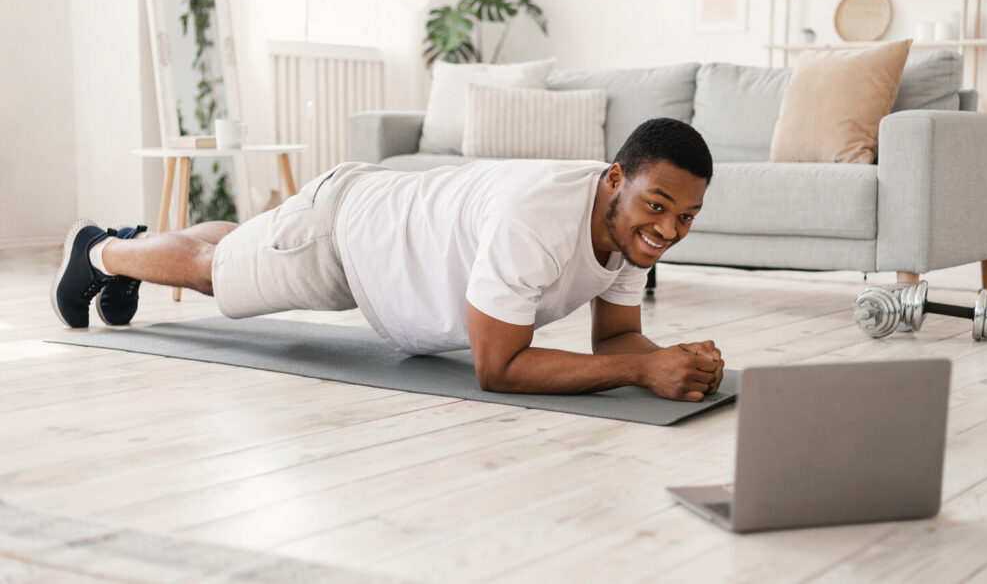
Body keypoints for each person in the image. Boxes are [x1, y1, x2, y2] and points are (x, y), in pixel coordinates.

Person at [52, 117, 723, 401]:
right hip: (346, 236)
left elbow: (617, 336)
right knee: (214, 273)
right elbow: (498, 366)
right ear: (614, 179)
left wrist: (665, 361)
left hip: (385, 239)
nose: (668, 229)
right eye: (658, 207)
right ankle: (100, 249)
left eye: (686, 216)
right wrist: (643, 369)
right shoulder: (538, 221)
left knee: (232, 249)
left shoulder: (632, 230)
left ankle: (130, 249)